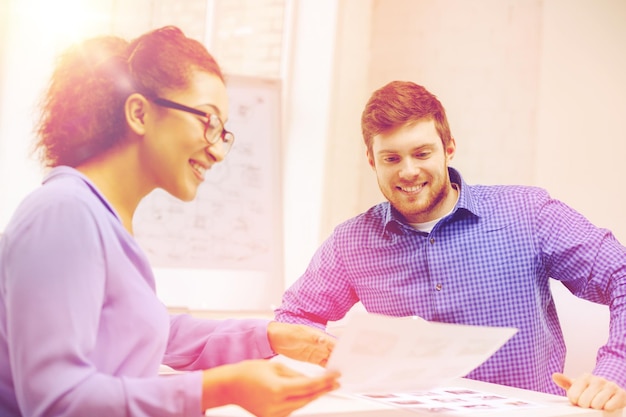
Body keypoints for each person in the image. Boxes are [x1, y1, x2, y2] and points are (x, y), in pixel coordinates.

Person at [0, 26, 340, 417]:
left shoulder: (100, 217)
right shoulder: (63, 215)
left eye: (223, 131)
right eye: (207, 121)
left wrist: (272, 335)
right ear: (140, 113)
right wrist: (221, 387)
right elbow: (57, 401)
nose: (217, 150)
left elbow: (154, 331)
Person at [274, 80, 626, 411]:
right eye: (391, 158)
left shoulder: (527, 213)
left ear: (449, 149)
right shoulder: (351, 242)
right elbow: (294, 319)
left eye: (422, 153)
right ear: (372, 161)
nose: (408, 171)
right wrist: (350, 359)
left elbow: (620, 273)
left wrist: (615, 370)